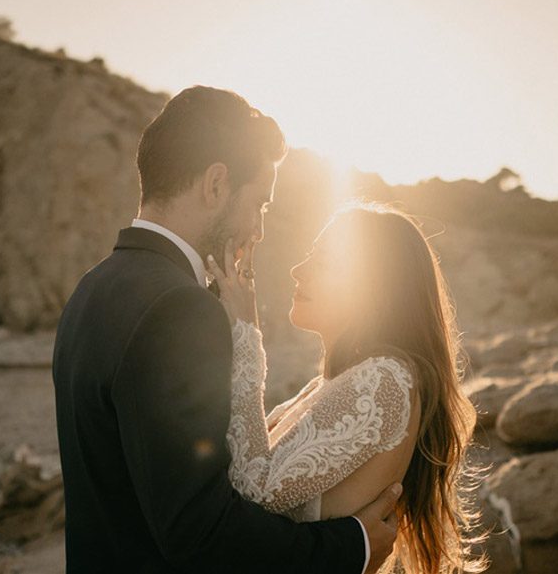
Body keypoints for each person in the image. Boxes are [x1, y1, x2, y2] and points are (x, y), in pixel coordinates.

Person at [52, 85, 400, 573]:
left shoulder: (90, 290)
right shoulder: (181, 308)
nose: (258, 231)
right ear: (216, 184)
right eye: (258, 204)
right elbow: (202, 533)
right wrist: (351, 545)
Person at [207, 203, 488, 573]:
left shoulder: (382, 380)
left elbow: (255, 489)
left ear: (372, 289)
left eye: (322, 262)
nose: (298, 270)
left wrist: (245, 333)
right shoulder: (334, 383)